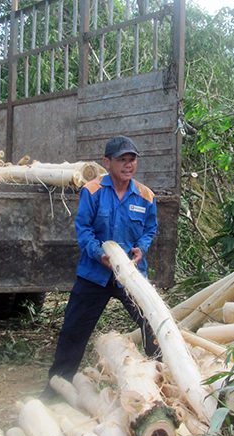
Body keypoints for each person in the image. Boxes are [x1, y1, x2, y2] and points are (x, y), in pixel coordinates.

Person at [43, 135, 161, 395]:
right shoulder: (93, 190)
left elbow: (150, 229)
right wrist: (99, 254)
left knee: (153, 326)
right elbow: (83, 229)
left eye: (132, 160)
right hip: (95, 274)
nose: (128, 165)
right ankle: (56, 390)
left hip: (130, 275)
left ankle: (162, 382)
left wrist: (141, 248)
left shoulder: (146, 196)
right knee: (73, 331)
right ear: (107, 162)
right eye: (122, 160)